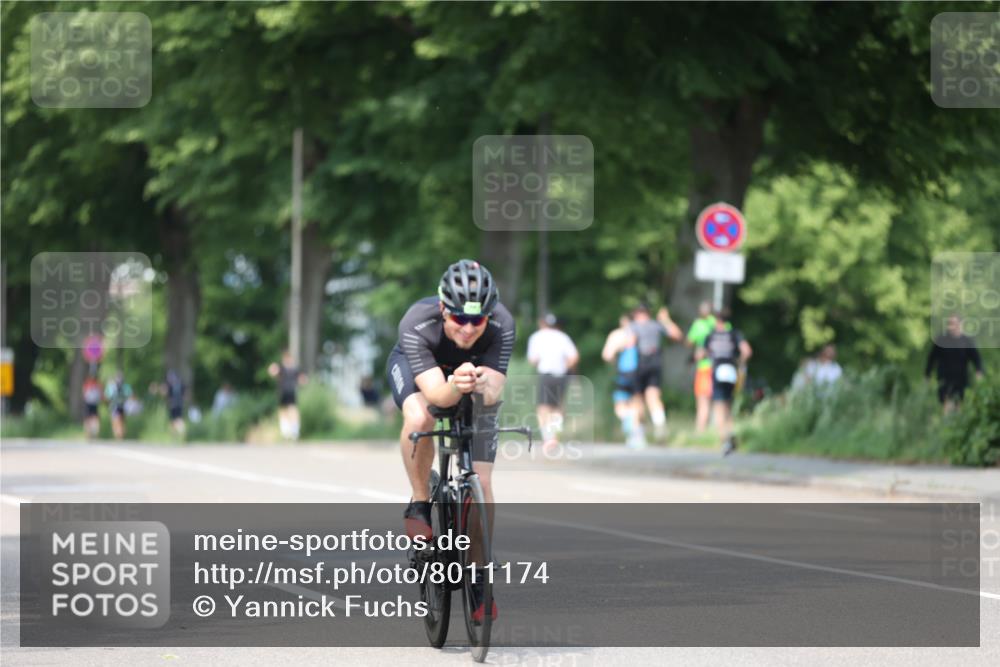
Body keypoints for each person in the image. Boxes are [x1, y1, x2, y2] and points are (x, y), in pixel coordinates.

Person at [386, 259, 513, 623]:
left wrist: (479, 383)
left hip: (471, 380)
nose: (469, 328)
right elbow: (439, 397)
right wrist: (455, 384)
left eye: (478, 320)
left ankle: (476, 576)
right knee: (420, 417)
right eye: (459, 319)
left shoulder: (503, 324)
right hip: (423, 374)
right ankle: (420, 505)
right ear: (443, 309)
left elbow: (492, 393)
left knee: (483, 482)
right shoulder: (417, 323)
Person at [697, 309, 752, 456]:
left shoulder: (711, 335)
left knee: (719, 407)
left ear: (716, 320)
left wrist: (701, 357)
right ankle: (731, 433)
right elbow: (747, 351)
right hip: (731, 371)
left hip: (718, 371)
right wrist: (740, 363)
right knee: (728, 404)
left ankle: (725, 440)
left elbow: (700, 354)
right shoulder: (734, 334)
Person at [527, 313, 579, 451]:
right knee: (557, 406)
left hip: (546, 374)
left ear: (542, 323)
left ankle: (547, 437)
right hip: (561, 374)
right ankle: (555, 435)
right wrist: (568, 369)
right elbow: (574, 357)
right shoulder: (563, 337)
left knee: (543, 407)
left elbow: (533, 359)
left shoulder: (537, 337)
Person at [629, 303, 682, 440]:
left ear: (637, 314)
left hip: (639, 364)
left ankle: (638, 432)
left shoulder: (633, 326)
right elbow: (677, 335)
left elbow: (629, 342)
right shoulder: (656, 325)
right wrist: (665, 319)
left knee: (638, 399)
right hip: (655, 364)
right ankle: (660, 427)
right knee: (653, 396)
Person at [601, 314, 645, 449]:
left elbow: (607, 354)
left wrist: (615, 360)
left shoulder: (618, 334)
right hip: (639, 371)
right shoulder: (642, 332)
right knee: (636, 402)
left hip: (624, 372)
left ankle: (631, 430)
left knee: (621, 405)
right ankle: (638, 435)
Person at [925, 315, 985, 413]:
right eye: (950, 323)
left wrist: (979, 371)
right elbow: (932, 358)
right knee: (947, 406)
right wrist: (927, 374)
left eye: (954, 323)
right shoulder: (941, 340)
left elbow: (976, 358)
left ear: (960, 324)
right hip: (944, 379)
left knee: (960, 407)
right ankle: (946, 425)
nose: (951, 326)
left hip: (961, 379)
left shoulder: (967, 341)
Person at [685, 301, 717, 433]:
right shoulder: (718, 323)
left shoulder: (698, 324)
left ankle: (700, 431)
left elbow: (689, 342)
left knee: (702, 399)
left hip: (704, 367)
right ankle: (715, 429)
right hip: (718, 366)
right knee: (717, 399)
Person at [269, 350, 305, 440]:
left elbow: (302, 379)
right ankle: (286, 431)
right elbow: (273, 372)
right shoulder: (283, 368)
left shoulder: (294, 369)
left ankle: (294, 431)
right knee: (284, 410)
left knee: (292, 410)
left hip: (291, 391)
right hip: (283, 391)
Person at [104, 371, 132, 441]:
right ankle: (120, 434)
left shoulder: (112, 386)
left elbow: (107, 396)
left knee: (116, 420)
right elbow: (130, 395)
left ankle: (118, 434)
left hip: (115, 406)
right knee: (120, 420)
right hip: (121, 405)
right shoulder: (125, 386)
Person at [165, 369, 186, 438]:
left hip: (174, 405)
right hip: (180, 404)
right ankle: (179, 434)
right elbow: (184, 395)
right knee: (178, 419)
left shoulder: (171, 386)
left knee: (174, 420)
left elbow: (169, 396)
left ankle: (175, 435)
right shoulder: (181, 384)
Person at [82, 372, 103, 439]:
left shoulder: (87, 384)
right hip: (93, 403)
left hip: (89, 403)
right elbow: (101, 395)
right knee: (94, 419)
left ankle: (89, 434)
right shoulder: (98, 384)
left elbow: (84, 394)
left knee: (88, 419)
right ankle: (93, 433)